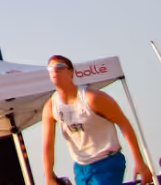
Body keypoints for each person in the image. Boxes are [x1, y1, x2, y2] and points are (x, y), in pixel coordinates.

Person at [41, 55, 153, 185]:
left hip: (107, 161)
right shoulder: (50, 107)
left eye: (59, 66)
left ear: (71, 72)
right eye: (50, 68)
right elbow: (48, 146)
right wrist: (48, 177)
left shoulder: (92, 98)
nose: (54, 70)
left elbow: (124, 123)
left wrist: (139, 161)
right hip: (81, 167)